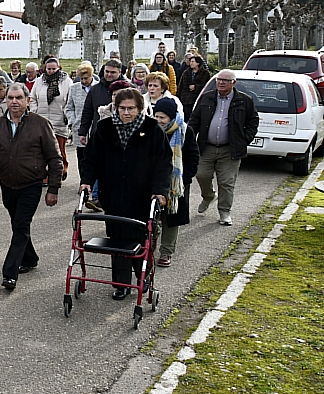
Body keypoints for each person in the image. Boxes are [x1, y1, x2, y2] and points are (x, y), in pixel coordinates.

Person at [79, 89, 172, 299]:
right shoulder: (104, 128)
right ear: (116, 108)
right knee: (117, 239)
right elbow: (91, 159)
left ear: (140, 108)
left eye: (131, 108)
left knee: (139, 237)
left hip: (142, 195)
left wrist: (159, 191)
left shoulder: (152, 129)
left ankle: (143, 277)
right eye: (122, 108)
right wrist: (86, 182)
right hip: (112, 193)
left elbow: (162, 164)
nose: (126, 113)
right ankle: (121, 284)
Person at [0, 83, 63, 290]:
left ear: (27, 100)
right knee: (18, 224)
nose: (14, 102)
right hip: (8, 184)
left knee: (21, 224)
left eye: (18, 98)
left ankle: (10, 272)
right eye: (10, 98)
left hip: (31, 184)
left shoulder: (41, 124)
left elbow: (54, 158)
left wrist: (53, 188)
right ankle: (30, 258)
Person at [188, 69, 259, 226]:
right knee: (201, 175)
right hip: (206, 147)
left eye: (225, 80)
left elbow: (253, 121)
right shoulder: (207, 98)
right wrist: (189, 138)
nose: (220, 82)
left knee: (226, 182)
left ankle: (224, 211)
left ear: (234, 83)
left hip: (230, 150)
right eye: (219, 79)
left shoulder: (244, 101)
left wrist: (244, 140)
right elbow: (195, 119)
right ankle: (208, 196)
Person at [152, 97, 200, 268]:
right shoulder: (150, 131)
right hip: (154, 181)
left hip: (176, 185)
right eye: (156, 116)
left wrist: (184, 179)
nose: (158, 120)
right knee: (151, 216)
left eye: (162, 117)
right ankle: (150, 245)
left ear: (171, 117)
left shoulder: (185, 131)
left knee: (171, 218)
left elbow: (193, 158)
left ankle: (166, 251)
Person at [29, 56, 73, 179]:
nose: (51, 71)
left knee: (59, 150)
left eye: (54, 69)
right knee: (43, 151)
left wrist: (66, 115)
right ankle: (45, 175)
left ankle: (62, 169)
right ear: (45, 68)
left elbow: (70, 100)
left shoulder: (67, 81)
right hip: (42, 120)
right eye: (49, 69)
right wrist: (35, 111)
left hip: (59, 119)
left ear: (58, 68)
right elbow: (32, 98)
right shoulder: (39, 81)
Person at [65, 62, 98, 188]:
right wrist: (73, 120)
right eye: (81, 78)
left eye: (86, 78)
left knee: (95, 157)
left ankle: (95, 184)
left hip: (94, 128)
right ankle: (83, 182)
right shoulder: (74, 88)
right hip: (79, 128)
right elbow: (68, 108)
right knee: (82, 158)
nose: (84, 81)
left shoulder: (97, 88)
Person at [78, 58, 123, 147]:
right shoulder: (95, 89)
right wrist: (83, 132)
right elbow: (87, 112)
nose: (109, 74)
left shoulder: (129, 89)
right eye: (107, 71)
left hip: (121, 135)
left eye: (113, 72)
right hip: (98, 134)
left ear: (120, 72)